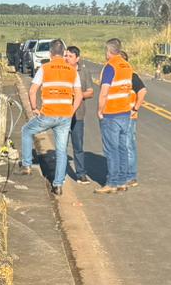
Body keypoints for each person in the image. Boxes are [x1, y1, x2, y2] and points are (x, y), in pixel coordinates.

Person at [19, 39, 80, 195]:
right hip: (65, 115)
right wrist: (71, 111)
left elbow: (32, 91)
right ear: (64, 52)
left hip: (48, 113)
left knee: (27, 131)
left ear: (50, 53)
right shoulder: (72, 70)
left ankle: (26, 165)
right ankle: (58, 185)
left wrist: (34, 108)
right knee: (61, 151)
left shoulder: (45, 68)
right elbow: (78, 95)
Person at [96, 38, 136, 194]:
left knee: (111, 150)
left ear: (108, 51)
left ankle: (112, 182)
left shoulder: (110, 67)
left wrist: (100, 110)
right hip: (125, 112)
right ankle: (122, 181)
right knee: (122, 148)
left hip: (111, 113)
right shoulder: (127, 65)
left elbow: (104, 91)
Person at [63, 46, 94, 183]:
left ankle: (80, 173)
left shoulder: (84, 72)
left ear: (77, 58)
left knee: (78, 145)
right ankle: (60, 173)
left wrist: (78, 96)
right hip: (62, 112)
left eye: (70, 56)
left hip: (78, 114)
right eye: (66, 55)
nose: (66, 58)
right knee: (61, 144)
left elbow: (90, 92)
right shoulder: (61, 70)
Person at [126, 65, 147, 187]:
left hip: (129, 116)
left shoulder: (131, 76)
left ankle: (131, 176)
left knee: (128, 145)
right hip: (118, 115)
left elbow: (142, 91)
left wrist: (135, 108)